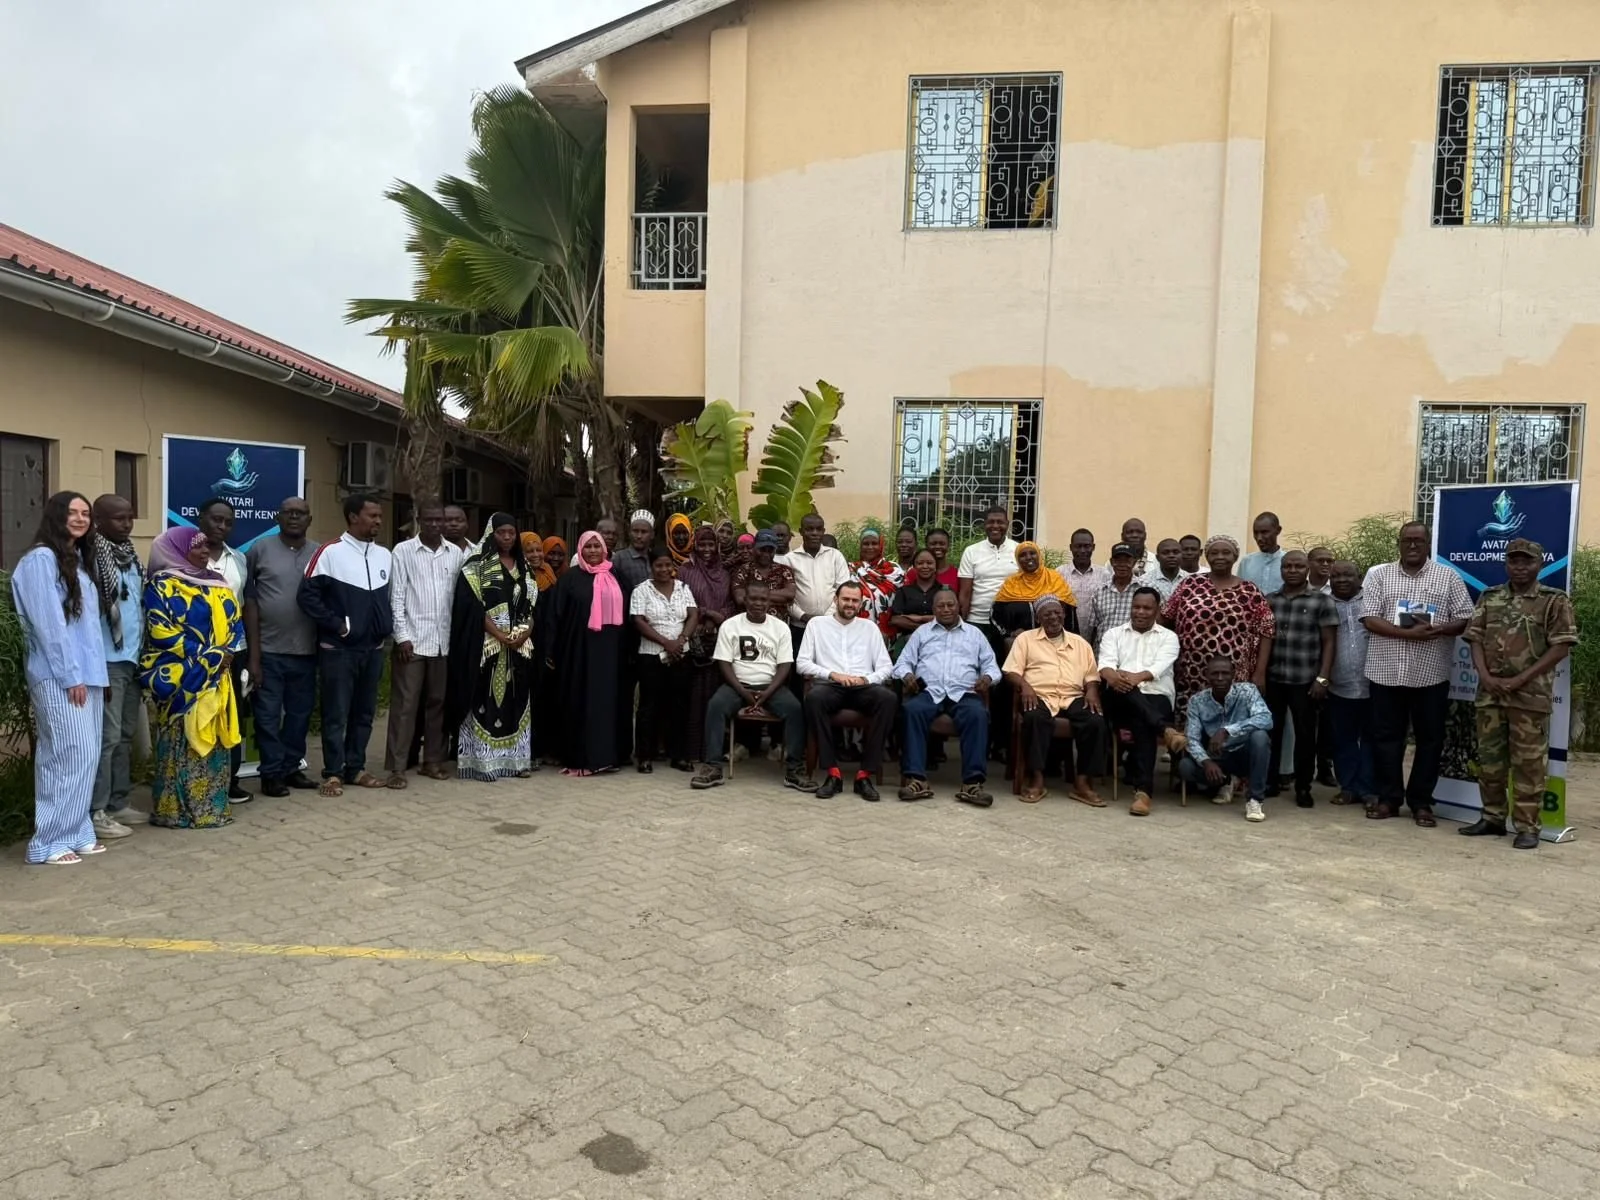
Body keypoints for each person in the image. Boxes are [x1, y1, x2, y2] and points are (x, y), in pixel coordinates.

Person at [1460, 539, 1578, 850]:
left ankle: (1527, 827)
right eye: (1514, 561)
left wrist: (1521, 679)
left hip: (1530, 697)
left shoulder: (1554, 601)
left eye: (1527, 561)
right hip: (1490, 694)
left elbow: (1561, 646)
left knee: (1528, 765)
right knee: (1490, 762)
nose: (1520, 567)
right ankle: (1493, 818)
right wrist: (1484, 676)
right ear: (1506, 564)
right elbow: (1474, 638)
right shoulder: (1490, 596)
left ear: (1539, 564)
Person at [12, 492, 107, 864]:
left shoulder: (78, 561)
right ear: (56, 516)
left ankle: (76, 830)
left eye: (86, 513)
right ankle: (47, 841)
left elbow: (87, 630)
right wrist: (71, 677)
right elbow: (49, 627)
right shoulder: (41, 560)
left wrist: (96, 677)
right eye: (73, 513)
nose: (81, 519)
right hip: (58, 676)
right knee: (67, 754)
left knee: (86, 756)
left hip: (87, 676)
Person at [1360, 520, 1473, 826]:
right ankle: (1389, 799)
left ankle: (1422, 802)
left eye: (1418, 541)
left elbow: (1464, 619)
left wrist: (1439, 629)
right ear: (1399, 543)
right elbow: (1369, 618)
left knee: (1430, 740)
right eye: (1407, 540)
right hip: (1385, 672)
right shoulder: (1379, 576)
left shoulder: (1447, 576)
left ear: (1428, 544)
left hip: (1431, 674)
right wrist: (1408, 634)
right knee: (1386, 738)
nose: (1412, 546)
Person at [141, 526, 243, 830]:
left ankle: (212, 808)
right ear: (176, 549)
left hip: (217, 674)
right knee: (181, 742)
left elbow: (235, 620)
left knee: (213, 741)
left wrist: (227, 652)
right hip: (180, 676)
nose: (203, 552)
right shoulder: (161, 586)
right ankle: (176, 812)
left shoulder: (217, 583)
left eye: (205, 547)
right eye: (196, 547)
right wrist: (209, 655)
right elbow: (159, 630)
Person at [298, 494, 393, 796]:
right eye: (372, 515)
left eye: (379, 516)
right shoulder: (329, 552)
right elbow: (307, 597)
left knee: (364, 713)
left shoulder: (384, 555)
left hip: (373, 649)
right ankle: (333, 773)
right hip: (338, 650)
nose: (378, 521)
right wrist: (338, 625)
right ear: (353, 517)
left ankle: (356, 768)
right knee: (336, 713)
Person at [692, 580, 812, 791]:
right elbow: (724, 663)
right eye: (753, 599)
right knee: (716, 706)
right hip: (737, 685)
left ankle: (794, 770)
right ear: (745, 600)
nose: (758, 603)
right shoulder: (731, 625)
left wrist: (766, 693)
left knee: (795, 709)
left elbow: (784, 666)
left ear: (769, 601)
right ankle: (712, 767)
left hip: (770, 686)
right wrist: (743, 692)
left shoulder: (780, 627)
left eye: (763, 599)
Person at [893, 587, 1001, 807]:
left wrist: (987, 679)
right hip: (929, 691)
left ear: (959, 606)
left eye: (950, 605)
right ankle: (917, 780)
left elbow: (992, 666)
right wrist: (908, 675)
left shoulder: (974, 634)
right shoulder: (922, 633)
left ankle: (972, 784)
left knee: (977, 715)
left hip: (964, 692)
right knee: (911, 711)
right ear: (933, 609)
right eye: (940, 606)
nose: (946, 609)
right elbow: (902, 663)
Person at [446, 514, 535, 781]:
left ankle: (516, 762)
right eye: (501, 533)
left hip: (519, 649)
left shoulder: (524, 566)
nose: (507, 538)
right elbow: (473, 609)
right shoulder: (476, 567)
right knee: (484, 704)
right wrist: (498, 633)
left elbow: (531, 606)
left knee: (516, 705)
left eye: (511, 533)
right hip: (486, 649)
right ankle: (483, 764)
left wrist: (524, 632)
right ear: (490, 534)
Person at [244, 496, 319, 798]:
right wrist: (254, 657)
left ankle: (291, 768)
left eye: (300, 513)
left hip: (307, 651)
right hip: (269, 650)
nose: (294, 518)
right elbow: (248, 599)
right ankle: (271, 773)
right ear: (277, 517)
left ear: (309, 519)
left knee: (300, 715)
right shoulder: (259, 550)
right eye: (288, 512)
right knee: (268, 716)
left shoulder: (319, 553)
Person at [797, 581, 899, 800]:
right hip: (830, 686)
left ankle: (864, 775)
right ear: (836, 600)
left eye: (855, 600)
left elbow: (886, 667)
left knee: (888, 699)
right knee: (814, 698)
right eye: (846, 599)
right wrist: (833, 674)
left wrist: (865, 678)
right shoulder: (817, 625)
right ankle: (833, 773)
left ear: (860, 603)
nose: (850, 604)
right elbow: (802, 663)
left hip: (863, 687)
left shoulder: (869, 628)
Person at [385, 505, 464, 785]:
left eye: (439, 519)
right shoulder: (403, 551)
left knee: (437, 705)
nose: (434, 524)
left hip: (443, 643)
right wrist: (401, 637)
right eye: (428, 519)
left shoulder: (455, 554)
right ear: (419, 520)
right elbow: (396, 597)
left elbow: (457, 598)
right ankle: (396, 767)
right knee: (405, 705)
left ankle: (432, 761)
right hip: (413, 642)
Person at [1004, 596, 1105, 806]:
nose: (1053, 617)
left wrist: (1093, 690)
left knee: (1095, 721)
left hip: (1073, 696)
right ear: (1039, 618)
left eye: (1057, 612)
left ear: (1064, 615)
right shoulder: (1026, 640)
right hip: (1040, 695)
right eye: (1047, 613)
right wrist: (1025, 686)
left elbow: (1091, 676)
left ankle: (1083, 782)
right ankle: (1037, 779)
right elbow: (1011, 671)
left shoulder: (1080, 643)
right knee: (1034, 718)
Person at [1162, 534, 1276, 720]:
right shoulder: (1190, 584)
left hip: (1234, 673)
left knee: (1229, 725)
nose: (1220, 557)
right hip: (1191, 671)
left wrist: (1260, 672)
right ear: (1207, 556)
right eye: (1214, 552)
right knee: (1192, 725)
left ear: (1235, 557)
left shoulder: (1249, 590)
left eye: (1226, 553)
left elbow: (1267, 629)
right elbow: (1166, 617)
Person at [1098, 588, 1187, 817]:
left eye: (1147, 608)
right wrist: (1118, 678)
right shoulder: (1113, 634)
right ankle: (1166, 731)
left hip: (1157, 696)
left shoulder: (1168, 637)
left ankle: (1143, 792)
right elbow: (1106, 667)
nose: (1140, 612)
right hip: (1118, 696)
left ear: (1157, 610)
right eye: (1136, 607)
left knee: (1141, 720)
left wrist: (1133, 677)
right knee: (1127, 695)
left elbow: (1159, 667)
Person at [88, 493, 146, 836]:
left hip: (132, 658)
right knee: (107, 739)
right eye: (118, 518)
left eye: (129, 517)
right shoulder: (93, 558)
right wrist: (96, 669)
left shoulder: (129, 556)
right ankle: (96, 811)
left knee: (124, 736)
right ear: (99, 521)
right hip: (107, 662)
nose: (126, 524)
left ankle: (118, 803)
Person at [186, 497, 250, 802]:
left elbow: (243, 606)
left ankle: (230, 779)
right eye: (216, 520)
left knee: (231, 714)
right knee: (199, 716)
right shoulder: (184, 557)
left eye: (228, 522)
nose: (222, 526)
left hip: (233, 652)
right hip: (197, 654)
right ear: (200, 519)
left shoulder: (238, 559)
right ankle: (199, 784)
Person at [1263, 550, 1338, 807]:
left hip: (1305, 680)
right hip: (1274, 677)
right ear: (1281, 570)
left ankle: (1303, 787)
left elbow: (1329, 642)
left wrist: (1323, 678)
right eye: (1287, 566)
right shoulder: (1270, 600)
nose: (1292, 570)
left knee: (1305, 737)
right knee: (1271, 732)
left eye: (1298, 566)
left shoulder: (1322, 602)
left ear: (1307, 569)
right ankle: (1270, 782)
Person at [551, 530, 625, 775]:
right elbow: (556, 617)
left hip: (609, 653)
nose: (593, 551)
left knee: (605, 703)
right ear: (580, 550)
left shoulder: (616, 575)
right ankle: (580, 759)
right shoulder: (570, 579)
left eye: (597, 546)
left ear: (604, 549)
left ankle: (605, 757)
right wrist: (553, 650)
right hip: (577, 652)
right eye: (588, 547)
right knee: (579, 701)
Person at [1178, 655, 1274, 821]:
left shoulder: (1248, 691)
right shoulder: (1197, 701)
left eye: (1225, 673)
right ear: (1206, 675)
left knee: (1260, 737)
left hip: (1244, 753)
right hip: (1218, 757)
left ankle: (1255, 800)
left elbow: (1266, 718)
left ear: (1233, 674)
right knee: (1185, 767)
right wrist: (1206, 762)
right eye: (1215, 674)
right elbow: (1191, 739)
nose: (1220, 678)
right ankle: (1227, 782)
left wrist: (1227, 730)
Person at [631, 547, 699, 773]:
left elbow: (693, 615)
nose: (664, 569)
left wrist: (681, 639)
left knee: (679, 705)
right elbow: (639, 621)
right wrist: (665, 642)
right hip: (651, 656)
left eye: (667, 565)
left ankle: (678, 756)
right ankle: (645, 756)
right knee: (649, 706)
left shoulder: (683, 588)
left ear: (673, 566)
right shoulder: (641, 591)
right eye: (659, 565)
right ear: (651, 567)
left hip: (681, 654)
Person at [678, 523, 738, 759]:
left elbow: (732, 604)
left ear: (717, 546)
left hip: (719, 640)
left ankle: (712, 750)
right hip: (694, 639)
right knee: (692, 698)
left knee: (714, 697)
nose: (706, 549)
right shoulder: (686, 570)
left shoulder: (724, 573)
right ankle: (691, 750)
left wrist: (717, 618)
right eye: (701, 544)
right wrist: (706, 615)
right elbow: (681, 601)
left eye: (710, 544)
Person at [1326, 560, 1376, 809]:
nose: (1342, 580)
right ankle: (1348, 787)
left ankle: (1367, 789)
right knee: (1343, 739)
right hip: (1338, 685)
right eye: (1336, 576)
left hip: (1374, 683)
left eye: (1348, 575)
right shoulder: (1322, 603)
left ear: (1359, 577)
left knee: (1371, 738)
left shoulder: (1373, 599)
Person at [779, 513, 852, 673]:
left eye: (818, 529)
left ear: (823, 531)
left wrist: (825, 619)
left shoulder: (835, 556)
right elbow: (786, 596)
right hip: (800, 627)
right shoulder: (789, 560)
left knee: (831, 669)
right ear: (801, 531)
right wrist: (803, 616)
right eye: (809, 529)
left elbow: (843, 590)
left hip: (831, 625)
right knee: (801, 670)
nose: (814, 533)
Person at [522, 533, 560, 764]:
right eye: (529, 551)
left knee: (545, 698)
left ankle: (544, 749)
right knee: (527, 698)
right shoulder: (517, 577)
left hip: (545, 645)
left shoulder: (549, 576)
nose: (536, 555)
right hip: (523, 643)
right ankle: (528, 751)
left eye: (538, 550)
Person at [991, 542, 1078, 638]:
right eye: (1022, 555)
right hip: (1020, 644)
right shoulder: (1011, 584)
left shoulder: (1054, 579)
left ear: (1039, 555)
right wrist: (1010, 633)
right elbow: (996, 616)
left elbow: (1070, 615)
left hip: (1054, 642)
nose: (1028, 557)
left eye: (1032, 553)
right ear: (1017, 560)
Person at [956, 506, 1018, 643]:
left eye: (1000, 522)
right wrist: (962, 623)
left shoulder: (1019, 550)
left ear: (1007, 524)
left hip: (1009, 623)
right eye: (991, 522)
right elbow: (965, 592)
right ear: (984, 524)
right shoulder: (971, 551)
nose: (995, 526)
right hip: (977, 621)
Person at [1083, 543, 1140, 650]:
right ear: (1111, 562)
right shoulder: (1099, 592)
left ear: (1134, 562)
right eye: (1118, 560)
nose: (1122, 564)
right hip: (1103, 653)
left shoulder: (1145, 589)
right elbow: (1093, 629)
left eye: (1127, 560)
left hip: (1133, 653)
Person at [850, 528, 904, 639]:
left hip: (889, 633)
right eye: (866, 544)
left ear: (881, 545)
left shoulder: (894, 570)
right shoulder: (851, 570)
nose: (870, 547)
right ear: (860, 546)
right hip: (858, 633)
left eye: (874, 543)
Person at [889, 548, 944, 655]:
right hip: (908, 641)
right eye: (920, 563)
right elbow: (895, 619)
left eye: (929, 563)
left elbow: (949, 617)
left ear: (936, 566)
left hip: (940, 640)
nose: (925, 566)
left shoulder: (944, 591)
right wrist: (923, 628)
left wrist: (920, 618)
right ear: (914, 567)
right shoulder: (904, 591)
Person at [732, 530, 796, 612]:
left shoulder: (785, 571)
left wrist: (753, 597)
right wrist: (779, 597)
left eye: (770, 550)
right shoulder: (743, 570)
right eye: (762, 549)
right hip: (750, 622)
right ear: (754, 548)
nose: (766, 554)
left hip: (777, 623)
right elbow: (740, 598)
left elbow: (790, 595)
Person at [1238, 511, 1285, 597]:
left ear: (1278, 530)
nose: (1259, 538)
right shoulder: (1246, 562)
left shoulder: (1288, 562)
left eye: (1264, 532)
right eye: (1256, 533)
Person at [1137, 538, 1191, 603]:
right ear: (1157, 557)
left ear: (1182, 555)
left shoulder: (1190, 580)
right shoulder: (1144, 581)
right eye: (1166, 553)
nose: (1171, 556)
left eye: (1175, 552)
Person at [1064, 528, 1111, 601]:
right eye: (1078, 546)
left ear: (1093, 547)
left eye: (1087, 546)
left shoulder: (1104, 574)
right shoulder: (1060, 574)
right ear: (1071, 547)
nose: (1082, 550)